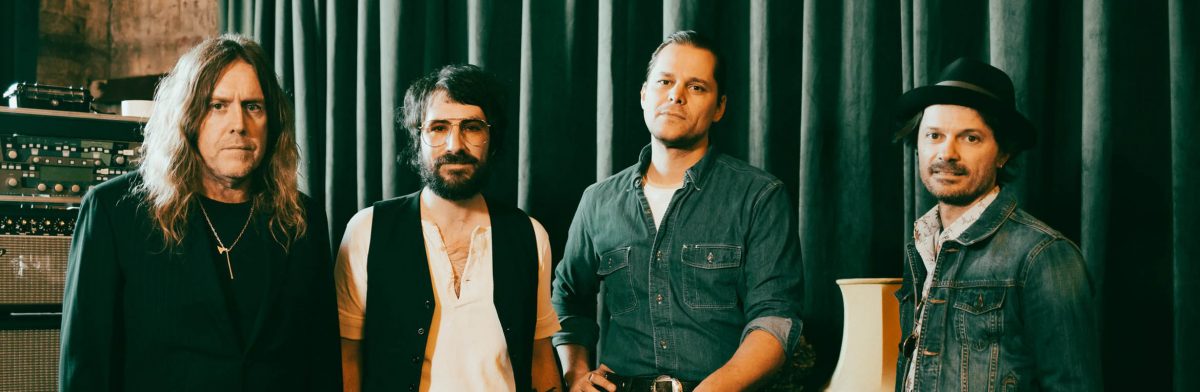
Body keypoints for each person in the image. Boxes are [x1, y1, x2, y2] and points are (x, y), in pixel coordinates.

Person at [59, 34, 341, 391]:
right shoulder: (114, 211)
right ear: (187, 117)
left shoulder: (304, 218)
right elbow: (86, 367)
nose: (239, 123)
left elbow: (321, 363)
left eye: (253, 106)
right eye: (217, 105)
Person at [551, 30, 803, 392]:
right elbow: (568, 298)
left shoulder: (760, 196)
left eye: (697, 87)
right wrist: (575, 372)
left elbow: (776, 319)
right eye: (664, 81)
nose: (676, 95)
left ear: (720, 107)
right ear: (643, 94)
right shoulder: (597, 201)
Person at [336, 64, 562, 392]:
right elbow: (347, 354)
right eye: (438, 128)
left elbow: (540, 355)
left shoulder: (529, 235)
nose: (455, 145)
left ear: (492, 139)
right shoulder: (367, 230)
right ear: (418, 139)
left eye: (471, 127)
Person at [891, 57, 1101, 391]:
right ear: (917, 145)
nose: (947, 153)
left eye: (970, 138)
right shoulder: (923, 245)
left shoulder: (1044, 256)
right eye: (934, 135)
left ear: (1002, 153)